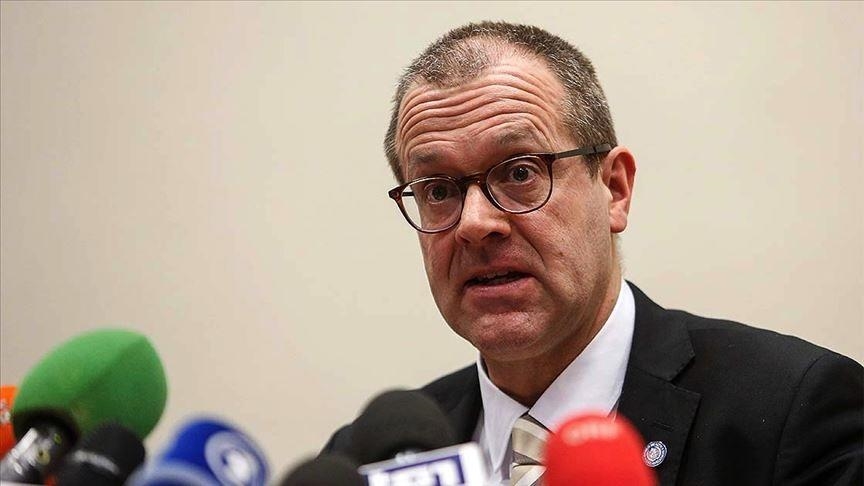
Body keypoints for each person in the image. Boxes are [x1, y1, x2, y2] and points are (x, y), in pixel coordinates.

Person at [324, 21, 863, 485]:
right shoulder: (366, 462)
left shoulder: (793, 411)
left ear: (614, 189)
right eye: (439, 190)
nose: (475, 224)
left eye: (520, 172)